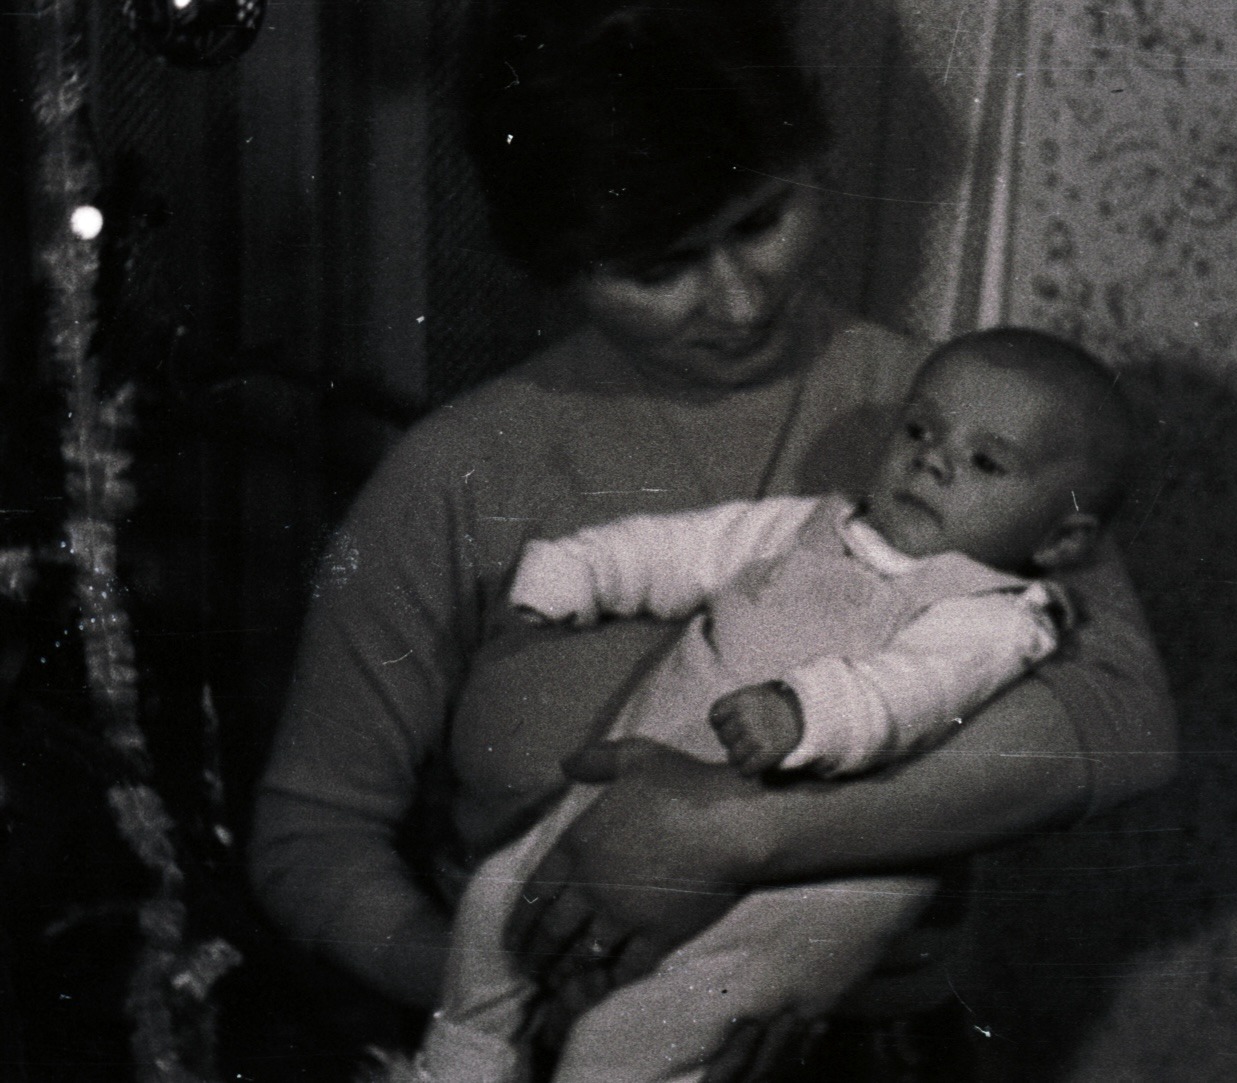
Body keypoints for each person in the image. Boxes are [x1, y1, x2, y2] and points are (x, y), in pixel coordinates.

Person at [247, 1, 1177, 1079]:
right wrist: (504, 978)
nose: (737, 301)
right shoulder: (457, 473)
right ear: (557, 260)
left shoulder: (955, 423)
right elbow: (310, 835)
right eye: (661, 266)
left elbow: (1123, 723)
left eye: (762, 219)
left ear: (811, 157)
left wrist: (732, 835)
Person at [404, 329, 1137, 1083]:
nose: (932, 460)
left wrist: (805, 710)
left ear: (1061, 539)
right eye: (919, 430)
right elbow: (686, 549)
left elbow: (918, 687)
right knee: (496, 896)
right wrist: (582, 570)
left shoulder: (996, 615)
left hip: (809, 882)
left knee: (627, 1047)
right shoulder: (809, 525)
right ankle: (460, 1059)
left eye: (985, 461)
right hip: (639, 789)